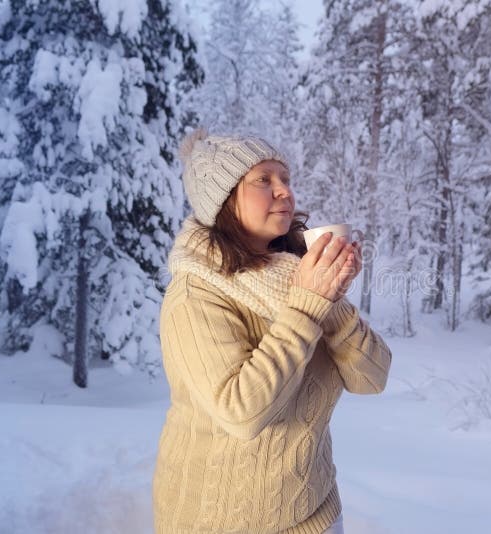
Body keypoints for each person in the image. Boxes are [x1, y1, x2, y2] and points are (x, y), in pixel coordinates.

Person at [153, 128, 392, 534]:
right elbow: (242, 413)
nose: (284, 191)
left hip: (315, 513)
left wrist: (330, 300)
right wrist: (309, 302)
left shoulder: (295, 273)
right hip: (220, 521)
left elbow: (373, 377)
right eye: (263, 180)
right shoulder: (195, 294)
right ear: (223, 200)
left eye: (286, 179)